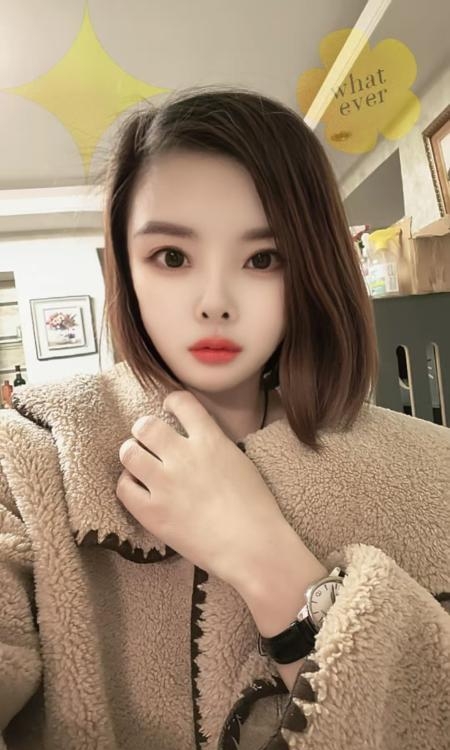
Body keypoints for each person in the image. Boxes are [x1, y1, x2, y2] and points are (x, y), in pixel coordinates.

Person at [0, 86, 449, 750]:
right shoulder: (30, 459)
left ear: (312, 268)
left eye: (263, 259)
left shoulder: (432, 471)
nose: (214, 302)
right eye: (172, 257)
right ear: (126, 266)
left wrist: (269, 562)